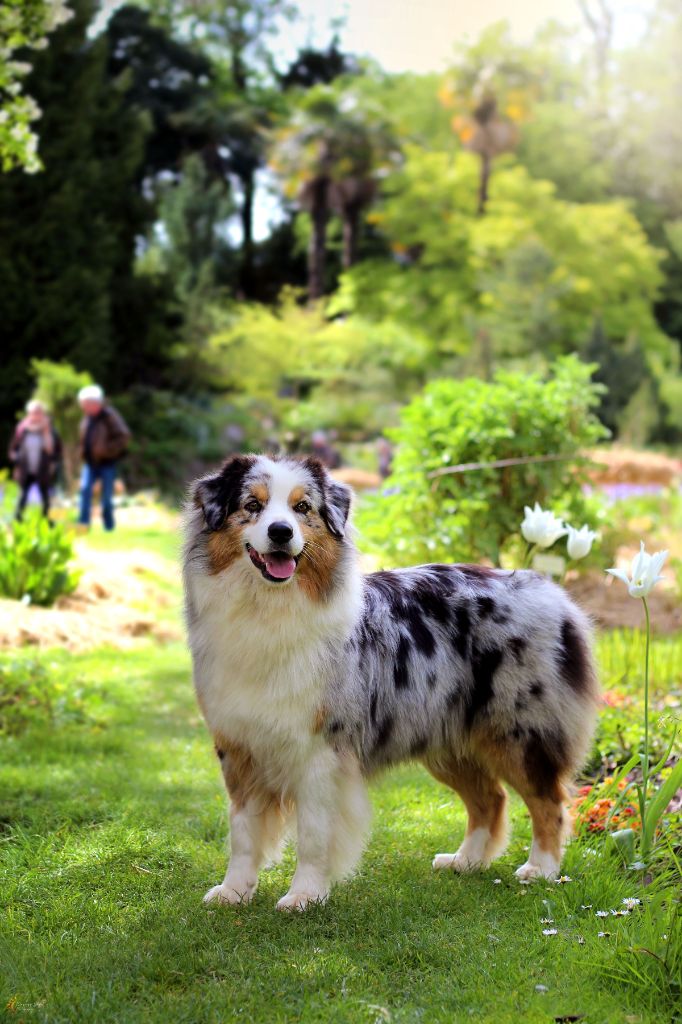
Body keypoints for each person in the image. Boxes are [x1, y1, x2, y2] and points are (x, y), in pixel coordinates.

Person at [77, 385, 131, 531]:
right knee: (85, 490)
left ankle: (108, 526)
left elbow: (124, 436)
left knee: (106, 497)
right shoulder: (87, 418)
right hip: (89, 463)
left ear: (95, 403)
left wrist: (107, 450)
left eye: (85, 404)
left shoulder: (109, 416)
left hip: (107, 463)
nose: (83, 407)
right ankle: (83, 524)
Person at [8, 399, 62, 521]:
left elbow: (56, 451)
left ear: (43, 414)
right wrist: (17, 463)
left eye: (39, 412)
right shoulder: (22, 430)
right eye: (33, 412)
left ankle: (49, 523)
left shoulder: (50, 430)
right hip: (26, 469)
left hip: (43, 469)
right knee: (22, 496)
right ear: (29, 414)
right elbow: (13, 449)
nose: (36, 415)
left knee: (46, 498)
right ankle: (17, 521)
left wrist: (53, 463)